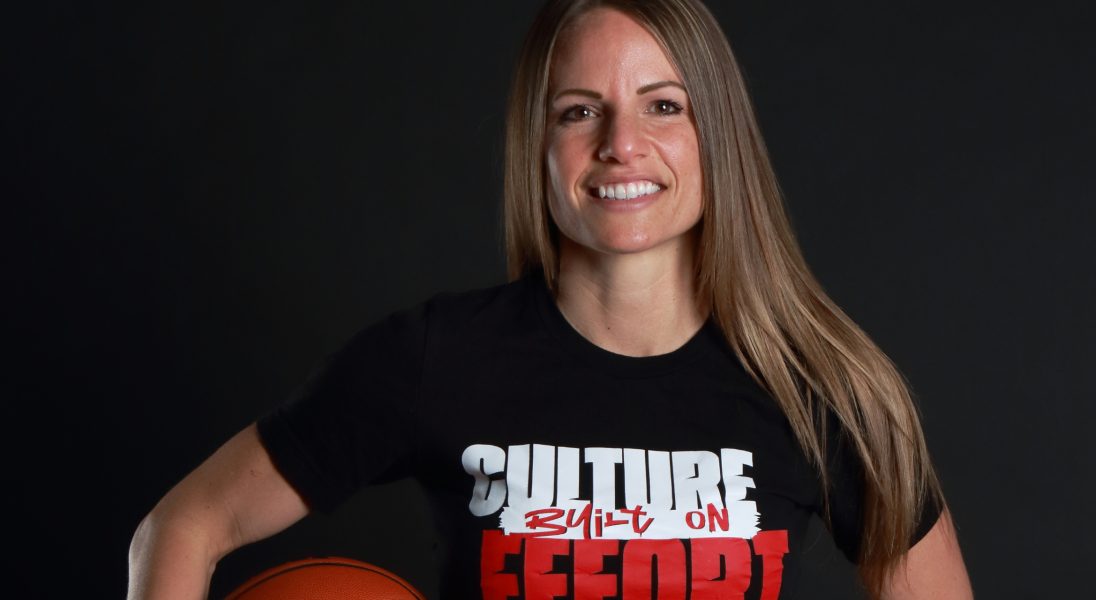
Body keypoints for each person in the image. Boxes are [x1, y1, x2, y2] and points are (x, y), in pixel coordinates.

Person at [128, 0, 972, 598]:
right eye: (580, 112)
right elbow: (183, 526)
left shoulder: (822, 389)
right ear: (540, 145)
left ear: (717, 136)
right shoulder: (437, 358)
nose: (621, 145)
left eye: (663, 106)